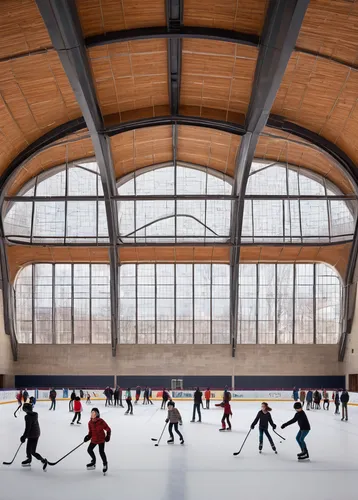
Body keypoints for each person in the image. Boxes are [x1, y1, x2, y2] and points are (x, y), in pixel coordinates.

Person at [20, 403, 47, 469]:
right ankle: (30, 459)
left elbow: (28, 428)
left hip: (32, 434)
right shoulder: (35, 414)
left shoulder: (27, 417)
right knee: (29, 450)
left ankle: (43, 460)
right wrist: (25, 436)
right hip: (36, 433)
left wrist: (24, 437)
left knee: (31, 451)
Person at [84, 408, 111, 474]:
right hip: (94, 439)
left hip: (101, 439)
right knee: (89, 450)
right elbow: (90, 432)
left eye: (94, 413)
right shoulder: (90, 423)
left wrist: (108, 436)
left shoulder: (101, 421)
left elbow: (108, 429)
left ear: (97, 414)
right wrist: (88, 437)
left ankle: (105, 464)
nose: (92, 414)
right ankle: (93, 461)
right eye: (92, 413)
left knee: (101, 452)